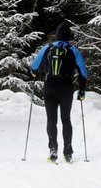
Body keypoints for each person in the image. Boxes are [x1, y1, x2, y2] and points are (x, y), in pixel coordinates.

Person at [30, 22, 88, 163]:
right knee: (66, 119)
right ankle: (68, 152)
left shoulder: (48, 48)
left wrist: (34, 75)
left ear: (56, 35)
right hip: (66, 88)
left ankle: (53, 149)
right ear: (69, 36)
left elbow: (34, 66)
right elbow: (83, 72)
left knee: (51, 120)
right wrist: (81, 90)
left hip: (50, 87)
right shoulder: (73, 49)